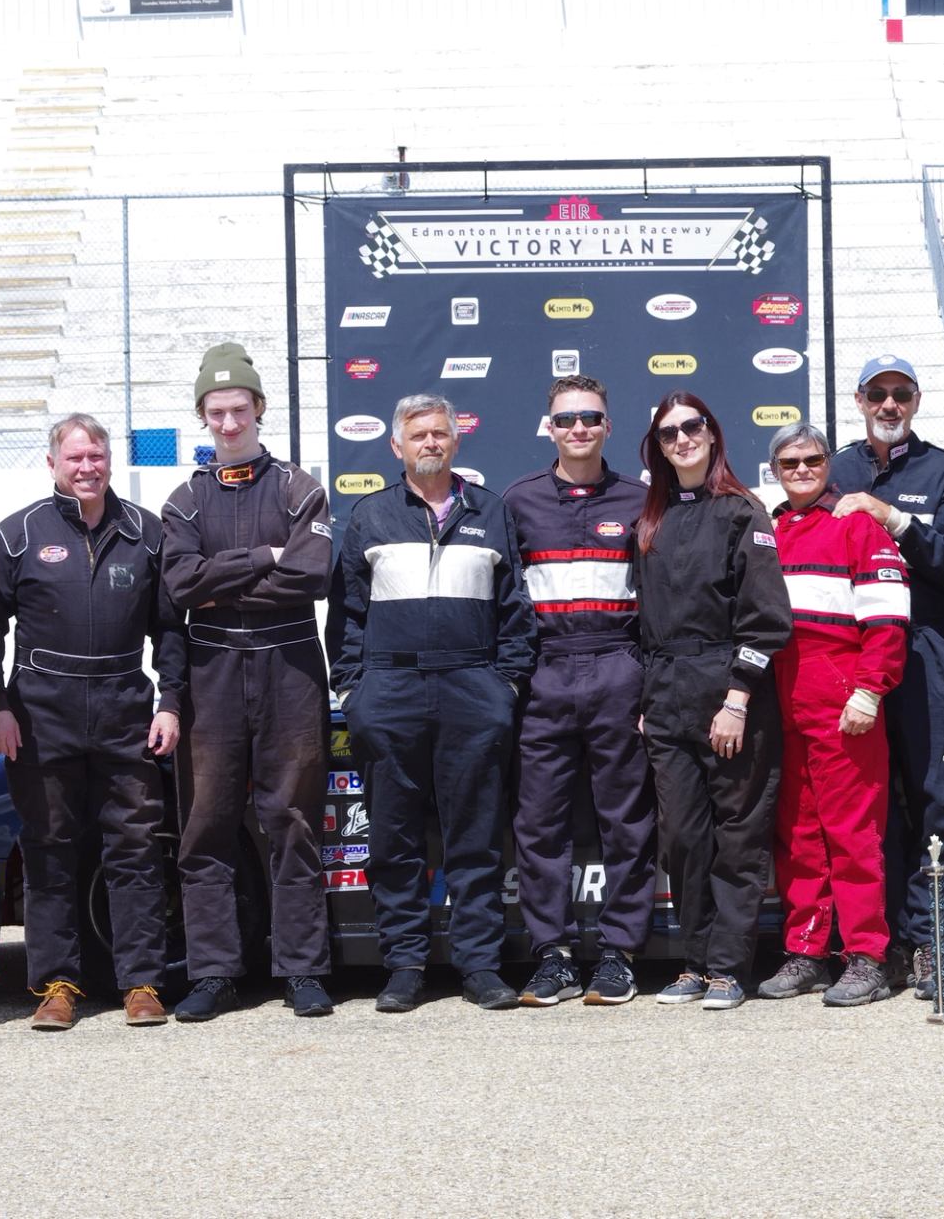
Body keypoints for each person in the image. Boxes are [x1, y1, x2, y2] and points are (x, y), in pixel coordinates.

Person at [0, 414, 187, 1029]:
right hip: (40, 716)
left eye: (96, 456)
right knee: (48, 851)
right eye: (74, 458)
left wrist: (170, 700)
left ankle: (141, 984)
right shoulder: (16, 536)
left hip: (125, 712)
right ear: (52, 465)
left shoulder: (147, 534)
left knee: (137, 849)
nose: (87, 468)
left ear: (110, 460)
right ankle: (57, 987)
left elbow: (171, 629)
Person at [332, 394, 535, 1012]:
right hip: (388, 691)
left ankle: (479, 966)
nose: (430, 443)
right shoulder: (369, 515)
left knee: (475, 836)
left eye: (440, 434)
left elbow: (515, 612)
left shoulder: (491, 512)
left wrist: (505, 688)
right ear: (396, 447)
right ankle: (404, 966)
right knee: (394, 838)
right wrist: (353, 690)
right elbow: (346, 617)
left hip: (473, 689)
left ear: (456, 441)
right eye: (417, 435)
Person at [162, 342, 335, 1021]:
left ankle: (303, 969)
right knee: (206, 824)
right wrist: (264, 556)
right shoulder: (184, 499)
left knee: (291, 820)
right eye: (216, 411)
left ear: (259, 408)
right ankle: (212, 972)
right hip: (213, 676)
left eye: (239, 409)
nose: (229, 422)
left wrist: (222, 580)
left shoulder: (298, 486)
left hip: (290, 666)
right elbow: (179, 584)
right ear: (204, 418)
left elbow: (310, 577)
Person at [634, 392, 791, 1011]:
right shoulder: (653, 519)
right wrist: (651, 696)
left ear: (712, 433)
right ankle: (693, 962)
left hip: (729, 691)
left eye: (692, 427)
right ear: (658, 448)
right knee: (681, 838)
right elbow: (645, 621)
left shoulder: (741, 512)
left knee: (737, 835)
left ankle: (729, 967)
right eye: (669, 433)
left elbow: (768, 620)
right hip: (667, 694)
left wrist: (737, 699)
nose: (682, 440)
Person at [828, 353, 944, 1000]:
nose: (890, 405)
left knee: (936, 803)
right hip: (853, 659)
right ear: (859, 400)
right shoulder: (834, 469)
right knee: (865, 807)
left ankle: (931, 945)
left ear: (915, 402)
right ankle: (871, 947)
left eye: (902, 395)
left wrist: (897, 523)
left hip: (929, 656)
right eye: (878, 394)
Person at [502, 376, 653, 1008]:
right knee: (539, 823)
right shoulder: (518, 502)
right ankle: (553, 955)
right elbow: (504, 603)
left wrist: (646, 681)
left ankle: (619, 954)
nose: (579, 429)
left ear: (608, 426)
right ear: (550, 428)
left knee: (626, 820)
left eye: (591, 417)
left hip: (618, 665)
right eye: (566, 420)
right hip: (546, 670)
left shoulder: (643, 500)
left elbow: (660, 601)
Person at [757, 422, 908, 1007]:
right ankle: (808, 951)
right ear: (775, 470)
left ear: (828, 463)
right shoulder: (771, 530)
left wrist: (870, 690)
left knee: (853, 833)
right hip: (784, 699)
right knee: (796, 835)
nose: (801, 470)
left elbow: (889, 616)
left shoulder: (856, 524)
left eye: (812, 460)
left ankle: (868, 955)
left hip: (844, 701)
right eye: (789, 462)